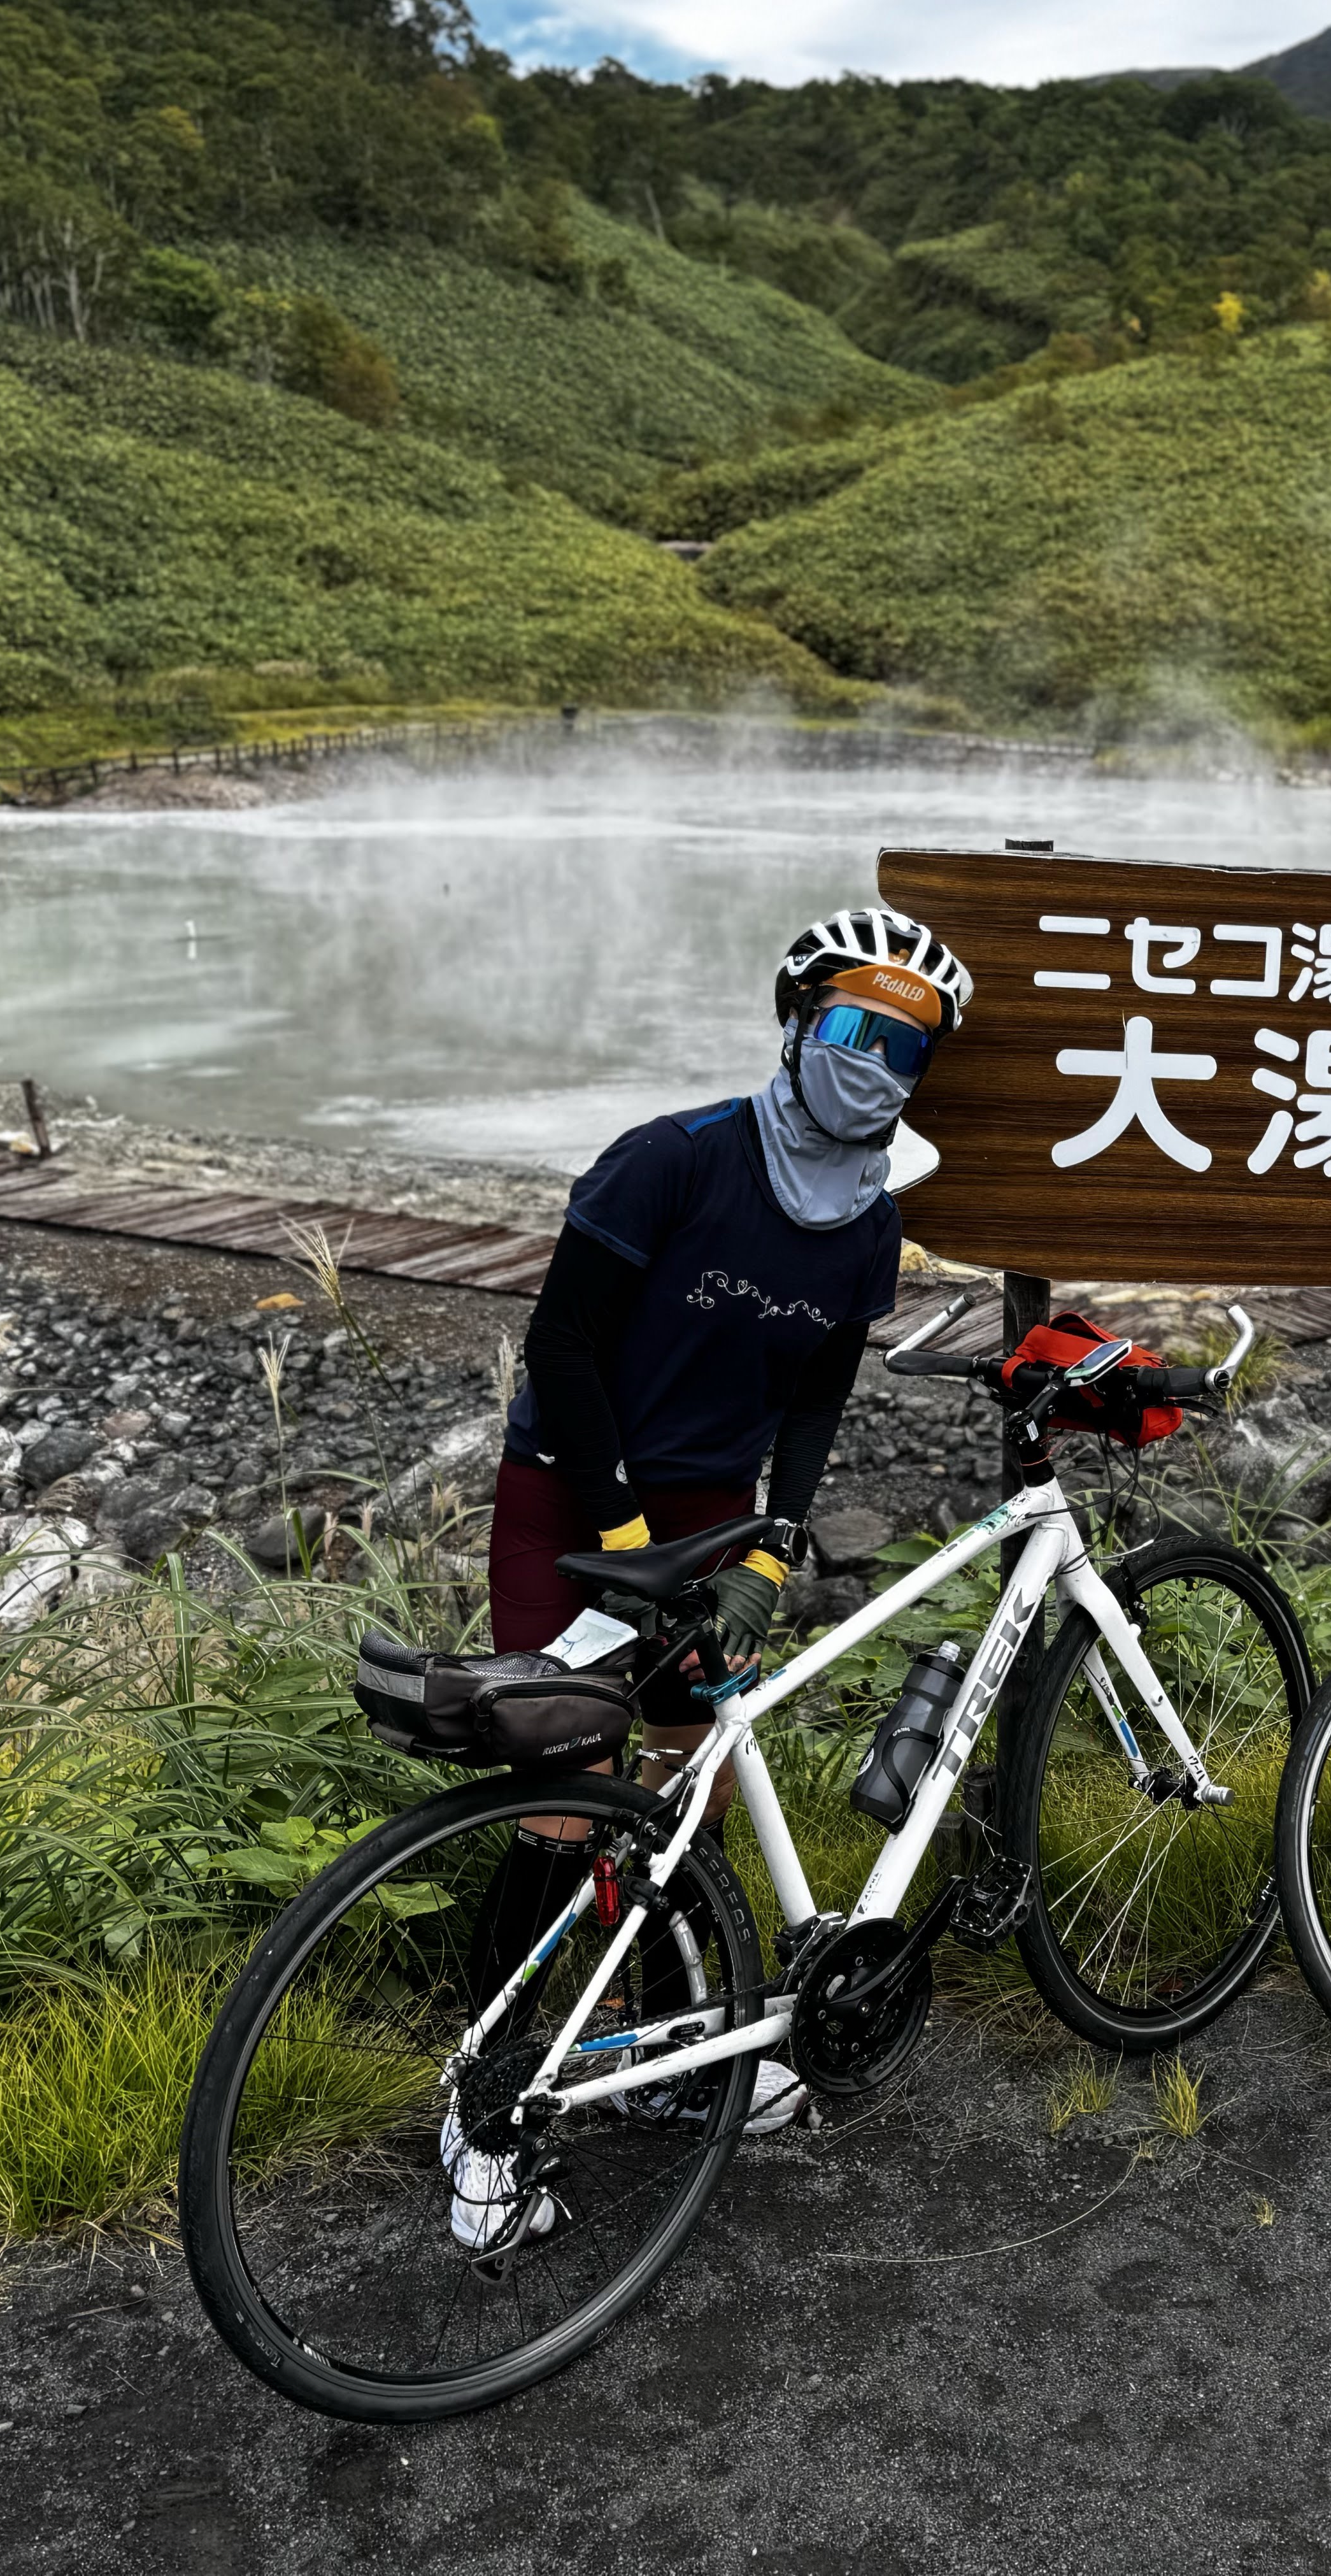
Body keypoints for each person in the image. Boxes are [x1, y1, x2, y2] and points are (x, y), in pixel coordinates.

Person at [478, 905, 972, 2145]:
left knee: (681, 1787)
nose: (874, 1064)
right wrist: (623, 1531)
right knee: (563, 1791)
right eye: (855, 1027)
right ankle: (488, 2062)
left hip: (708, 1513)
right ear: (800, 1023)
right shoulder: (672, 1160)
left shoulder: (867, 1225)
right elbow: (564, 1342)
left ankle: (671, 2054)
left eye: (906, 1051)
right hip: (568, 1491)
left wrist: (771, 1539)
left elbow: (815, 1397)